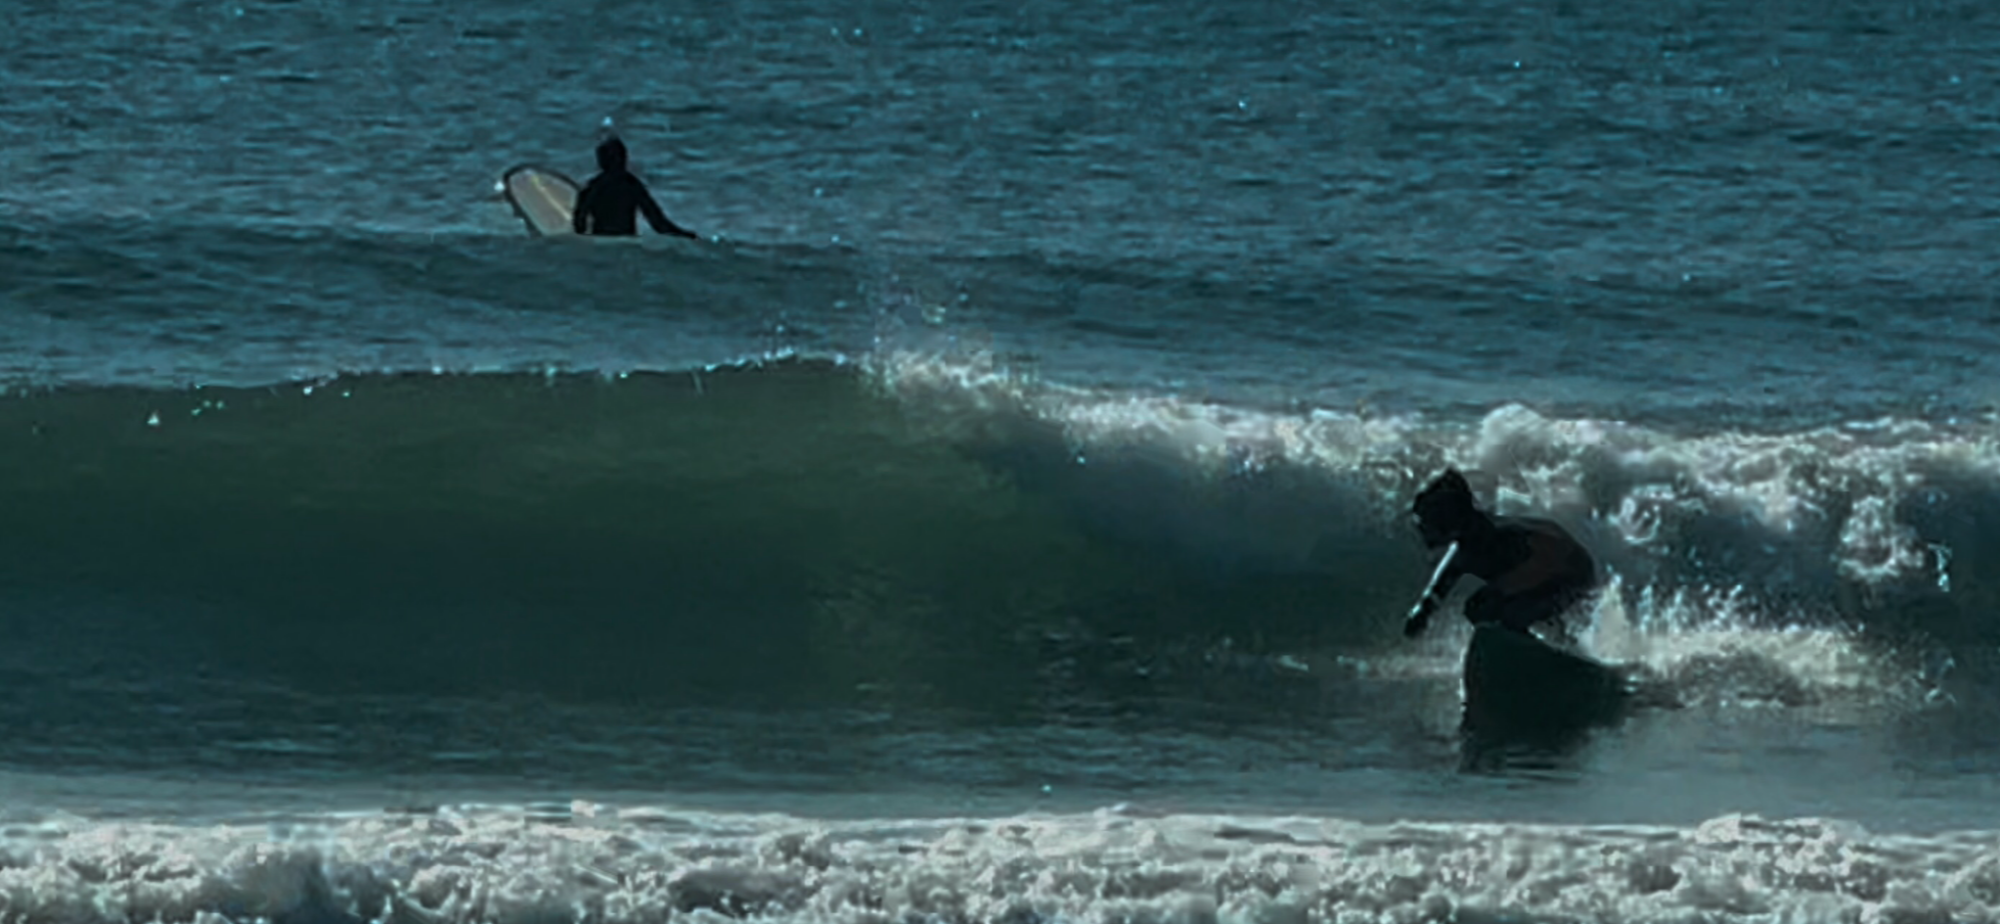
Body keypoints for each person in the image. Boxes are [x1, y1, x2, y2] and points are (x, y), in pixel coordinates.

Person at [1402, 468, 1599, 642]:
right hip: (1544, 578)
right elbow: (1437, 591)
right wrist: (1422, 613)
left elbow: (1558, 553)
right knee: (1484, 607)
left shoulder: (1500, 534)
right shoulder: (1464, 550)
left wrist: (1505, 587)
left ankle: (1539, 648)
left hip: (1573, 572)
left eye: (1427, 522)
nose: (1423, 529)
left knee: (1487, 606)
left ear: (1449, 521)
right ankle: (1548, 646)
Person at [572, 136, 698, 239]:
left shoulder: (593, 187)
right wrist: (685, 235)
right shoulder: (631, 185)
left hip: (601, 241)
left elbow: (579, 223)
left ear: (601, 161)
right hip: (626, 242)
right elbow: (658, 223)